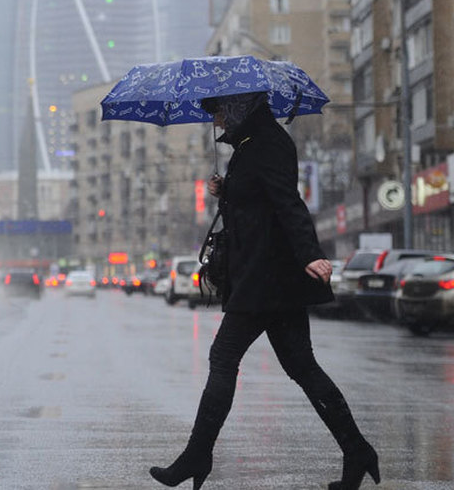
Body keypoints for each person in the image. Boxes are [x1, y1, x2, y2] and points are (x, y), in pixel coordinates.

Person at [149, 92, 379, 490]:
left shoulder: (268, 143)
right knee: (303, 368)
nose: (217, 120)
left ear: (239, 106)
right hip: (270, 278)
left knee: (223, 358)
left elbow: (288, 201)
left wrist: (311, 254)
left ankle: (197, 456)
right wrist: (228, 189)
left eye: (219, 110)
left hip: (266, 278)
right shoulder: (252, 143)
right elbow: (259, 201)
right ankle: (357, 451)